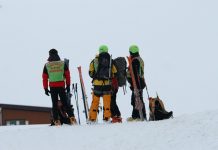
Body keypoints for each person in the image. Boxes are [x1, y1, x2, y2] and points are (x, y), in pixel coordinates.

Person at [42, 49, 77, 126]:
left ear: (49, 54)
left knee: (54, 104)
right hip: (61, 86)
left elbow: (44, 77)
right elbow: (67, 75)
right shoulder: (62, 63)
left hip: (52, 87)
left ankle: (56, 120)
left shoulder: (47, 65)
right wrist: (68, 85)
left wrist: (45, 88)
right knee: (65, 103)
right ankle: (72, 118)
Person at [88, 45, 117, 123]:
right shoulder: (110, 60)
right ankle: (106, 118)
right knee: (107, 102)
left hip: (97, 85)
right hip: (107, 84)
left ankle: (92, 119)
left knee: (95, 102)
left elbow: (90, 73)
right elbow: (114, 72)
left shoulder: (94, 61)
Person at [127, 45, 147, 121]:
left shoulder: (135, 60)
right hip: (139, 83)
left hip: (137, 84)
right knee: (134, 100)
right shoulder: (138, 59)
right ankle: (135, 116)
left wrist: (135, 85)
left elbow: (135, 74)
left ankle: (141, 116)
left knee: (139, 99)